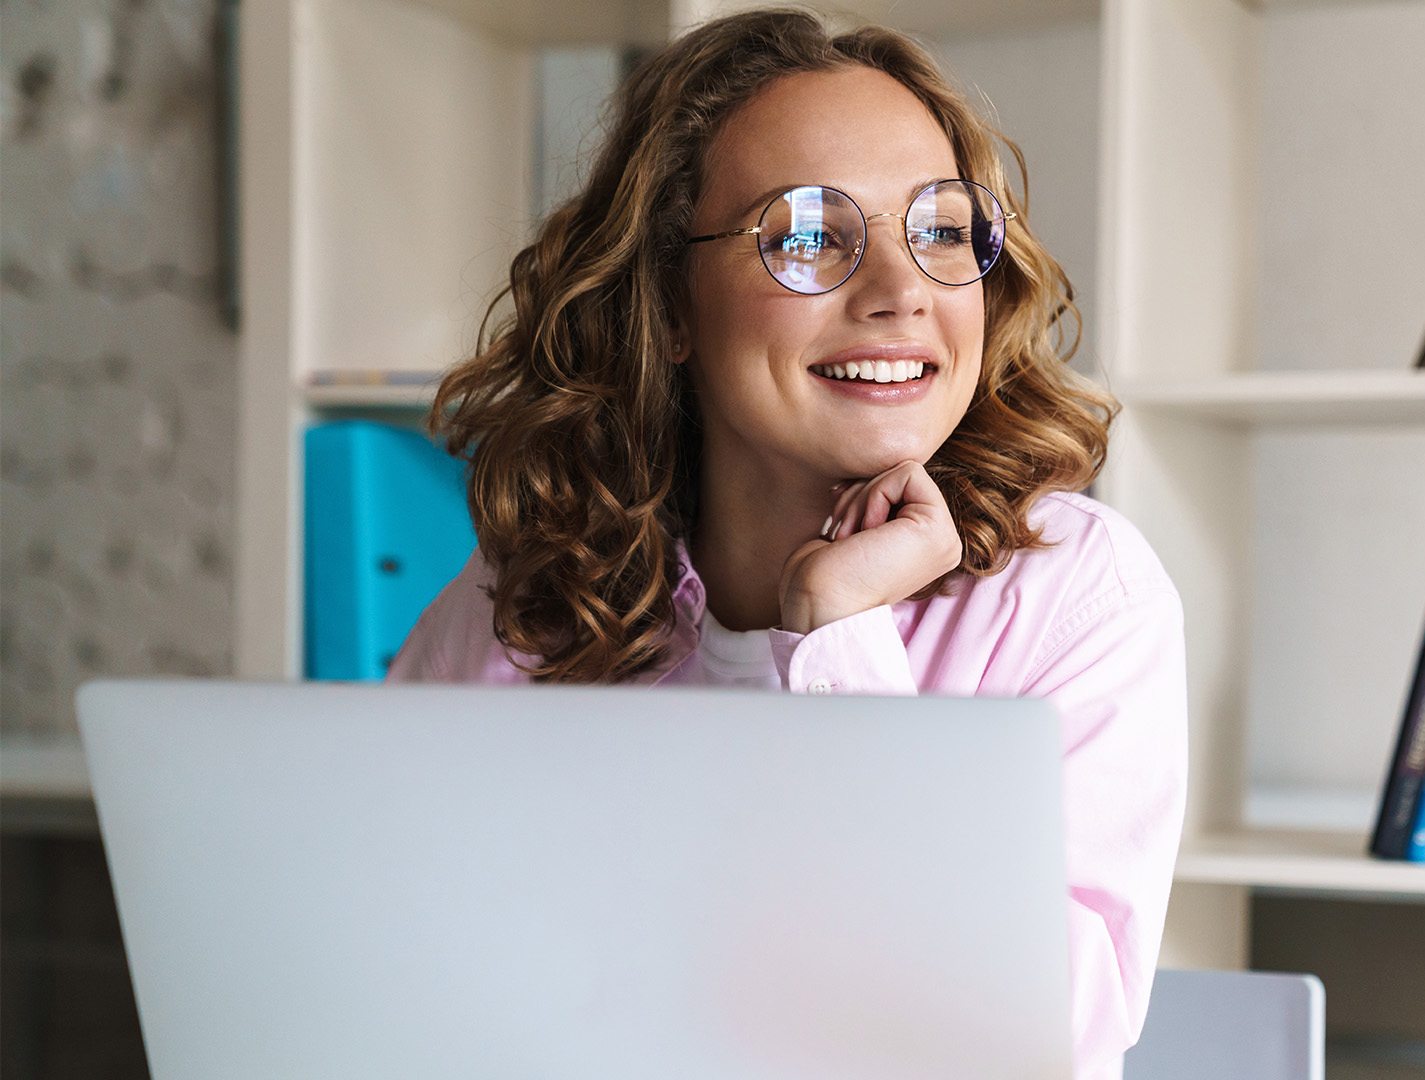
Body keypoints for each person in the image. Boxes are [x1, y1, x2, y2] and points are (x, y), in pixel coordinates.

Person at [388, 10, 1186, 1077]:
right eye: (808, 235)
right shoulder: (534, 594)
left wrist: (843, 635)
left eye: (942, 230)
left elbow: (1026, 1046)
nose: (903, 292)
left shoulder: (1077, 596)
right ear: (671, 302)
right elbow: (391, 951)